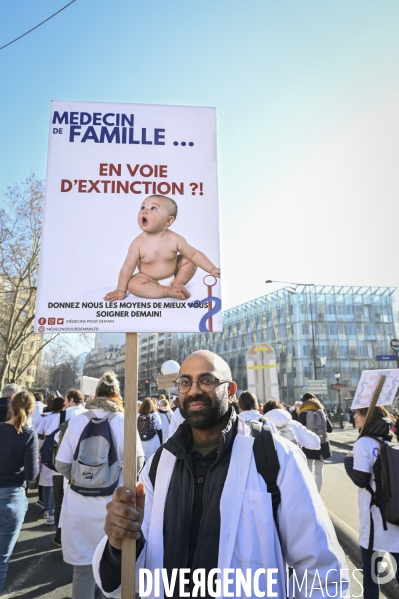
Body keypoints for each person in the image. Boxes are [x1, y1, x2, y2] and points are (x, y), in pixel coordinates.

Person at [93, 350, 349, 598]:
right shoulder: (159, 464)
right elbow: (127, 579)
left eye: (206, 380)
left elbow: (322, 571)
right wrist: (118, 543)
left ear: (230, 390)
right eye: (185, 382)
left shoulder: (276, 456)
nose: (194, 389)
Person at [55, 372, 129, 599]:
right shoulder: (124, 421)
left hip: (78, 505)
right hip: (113, 507)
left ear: (95, 394)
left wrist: (82, 480)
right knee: (112, 570)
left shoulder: (77, 420)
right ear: (117, 395)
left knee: (83, 572)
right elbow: (136, 465)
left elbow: (61, 464)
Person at [103, 194, 220, 301]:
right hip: (148, 278)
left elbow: (194, 254)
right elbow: (127, 268)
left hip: (173, 273)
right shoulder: (137, 243)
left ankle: (178, 282)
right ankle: (167, 291)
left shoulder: (175, 239)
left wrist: (211, 268)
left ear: (169, 220)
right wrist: (120, 290)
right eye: (143, 207)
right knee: (133, 284)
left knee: (190, 259)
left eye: (153, 208)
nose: (145, 211)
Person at [344, 406, 399, 598]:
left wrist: (348, 462)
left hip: (375, 523)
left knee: (371, 577)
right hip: (396, 517)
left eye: (357, 413)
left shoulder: (364, 443)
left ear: (367, 417)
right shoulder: (391, 439)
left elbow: (361, 479)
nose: (354, 417)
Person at [0, 390, 39, 593]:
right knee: (1, 562)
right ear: (31, 412)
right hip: (12, 498)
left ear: (10, 407)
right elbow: (32, 474)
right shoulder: (28, 436)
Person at [51, 389, 88, 548]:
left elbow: (53, 436)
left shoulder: (61, 416)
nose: (64, 403)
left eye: (65, 399)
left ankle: (60, 537)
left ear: (71, 400)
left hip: (62, 466)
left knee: (61, 502)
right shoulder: (89, 414)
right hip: (86, 469)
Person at [36, 395, 65, 525]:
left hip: (47, 448)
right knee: (56, 482)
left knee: (48, 481)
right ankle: (52, 512)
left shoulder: (47, 418)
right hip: (59, 449)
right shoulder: (63, 417)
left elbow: (39, 433)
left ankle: (47, 509)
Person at [298, 393, 332, 492]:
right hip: (322, 445)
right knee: (319, 472)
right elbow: (329, 429)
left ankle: (310, 494)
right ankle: (318, 494)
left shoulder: (303, 413)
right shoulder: (321, 411)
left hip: (308, 447)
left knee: (308, 471)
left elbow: (300, 431)